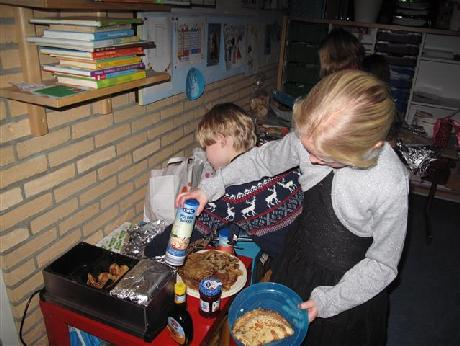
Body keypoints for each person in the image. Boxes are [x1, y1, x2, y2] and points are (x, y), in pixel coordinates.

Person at [177, 70, 409, 345]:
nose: (306, 158)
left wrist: (329, 301)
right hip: (299, 257)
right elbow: (261, 160)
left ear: (365, 149)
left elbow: (382, 264)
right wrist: (210, 188)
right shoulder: (312, 133)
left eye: (320, 156)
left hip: (348, 286)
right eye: (305, 146)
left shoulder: (390, 183)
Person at [146, 103, 303, 263]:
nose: (206, 155)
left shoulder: (228, 194)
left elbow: (189, 228)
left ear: (221, 140)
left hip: (294, 259)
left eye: (206, 146)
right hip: (313, 233)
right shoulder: (269, 154)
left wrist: (149, 251)